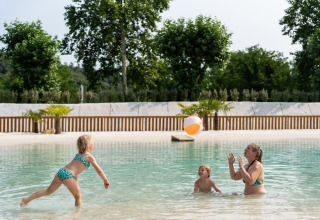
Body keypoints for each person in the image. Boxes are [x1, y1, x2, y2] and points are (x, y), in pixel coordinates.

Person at [20, 135, 110, 207]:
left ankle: (27, 199)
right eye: (92, 142)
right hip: (68, 175)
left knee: (48, 191)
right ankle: (77, 216)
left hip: (61, 172)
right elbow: (99, 170)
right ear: (88, 144)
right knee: (78, 196)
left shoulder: (78, 154)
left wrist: (74, 181)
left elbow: (75, 170)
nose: (93, 143)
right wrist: (105, 180)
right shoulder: (89, 156)